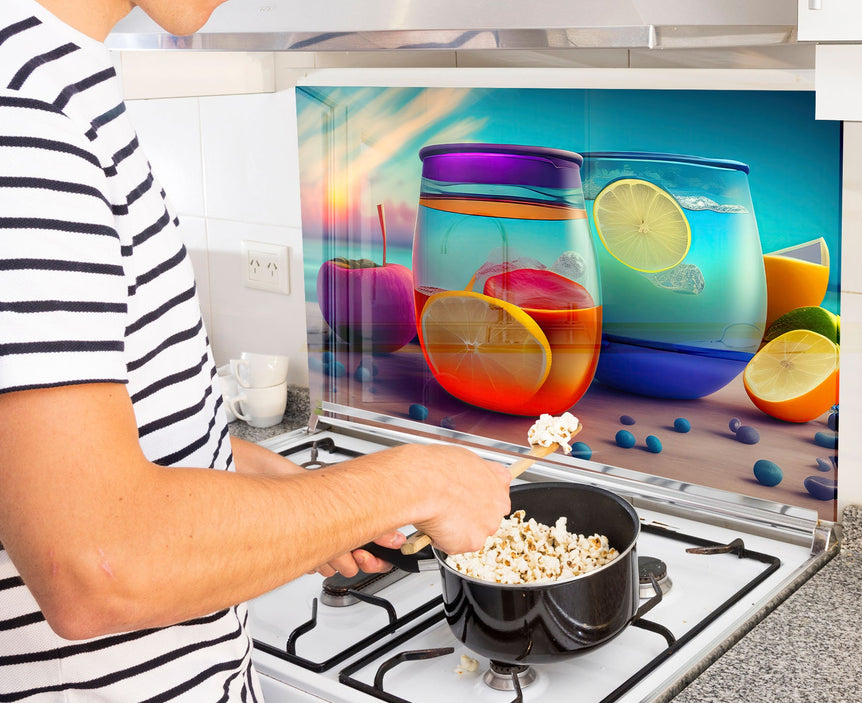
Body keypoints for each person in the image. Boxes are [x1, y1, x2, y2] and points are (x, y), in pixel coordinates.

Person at [0, 0, 513, 699]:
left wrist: (296, 497)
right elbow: (97, 563)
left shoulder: (55, 79)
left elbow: (81, 451)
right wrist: (417, 480)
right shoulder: (24, 117)